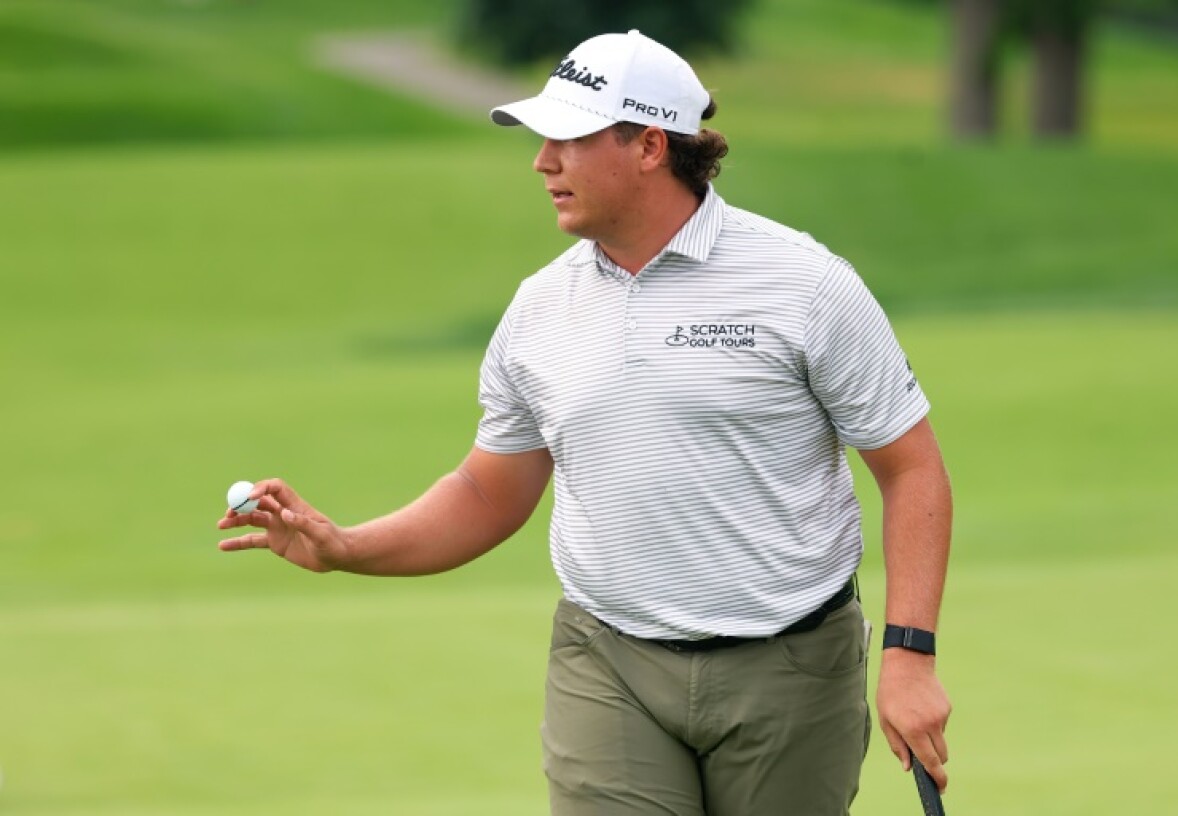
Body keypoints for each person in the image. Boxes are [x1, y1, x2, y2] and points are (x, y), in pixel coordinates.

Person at [217, 29, 952, 816]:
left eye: (568, 139)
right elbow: (487, 491)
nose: (542, 162)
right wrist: (348, 547)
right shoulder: (539, 309)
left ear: (647, 145)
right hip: (610, 664)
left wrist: (910, 657)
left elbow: (912, 470)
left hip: (791, 664)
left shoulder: (802, 284)